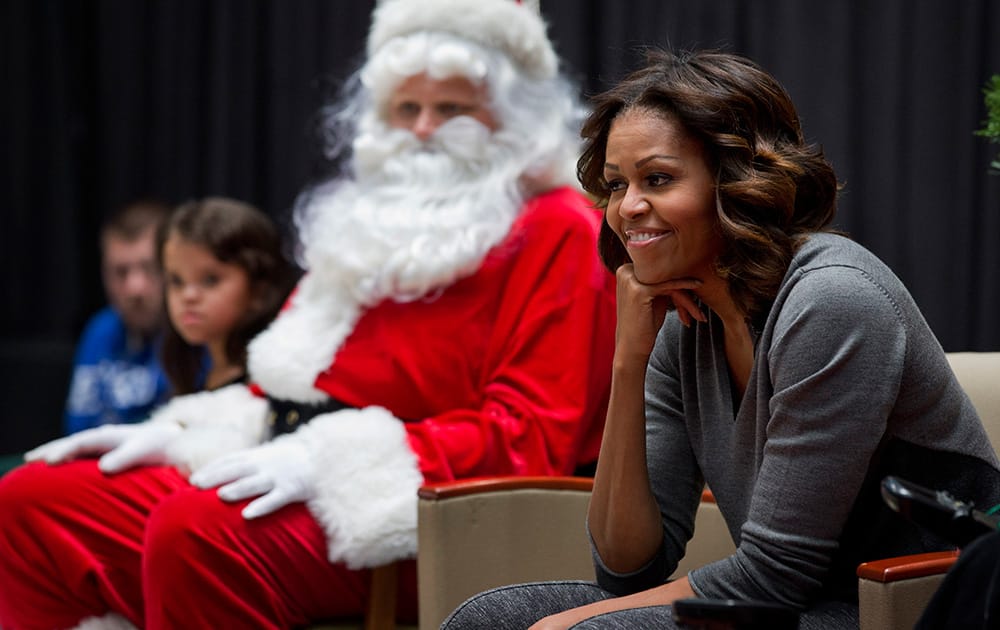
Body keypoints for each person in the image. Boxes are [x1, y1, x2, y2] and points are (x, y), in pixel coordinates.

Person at [0, 1, 616, 628]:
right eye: (407, 108)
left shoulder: (561, 231)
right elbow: (283, 384)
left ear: (517, 120)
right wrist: (184, 435)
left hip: (428, 511)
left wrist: (327, 460)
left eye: (452, 109)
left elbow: (529, 438)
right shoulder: (369, 220)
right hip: (292, 467)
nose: (424, 128)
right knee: (32, 502)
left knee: (201, 533)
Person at [441, 49, 1000, 630]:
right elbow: (628, 566)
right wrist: (627, 361)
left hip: (907, 608)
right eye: (615, 185)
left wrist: (569, 623)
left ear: (737, 181)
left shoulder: (832, 301)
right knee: (489, 618)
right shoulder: (686, 320)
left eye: (658, 179)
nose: (627, 208)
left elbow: (775, 576)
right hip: (794, 604)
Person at [156, 196, 297, 395]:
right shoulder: (195, 377)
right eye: (176, 281)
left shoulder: (273, 388)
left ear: (259, 290)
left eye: (210, 280)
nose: (188, 296)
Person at [64, 199, 172, 435]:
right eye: (120, 272)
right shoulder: (100, 329)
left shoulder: (195, 332)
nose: (135, 288)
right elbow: (77, 428)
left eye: (149, 268)